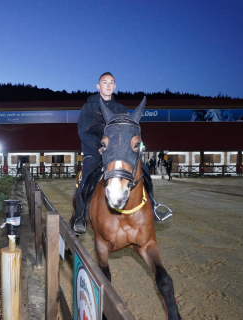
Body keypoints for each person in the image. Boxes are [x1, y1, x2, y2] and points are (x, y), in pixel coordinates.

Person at [71, 72, 172, 235]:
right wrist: (99, 147)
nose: (108, 85)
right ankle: (79, 217)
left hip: (116, 152)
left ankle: (153, 206)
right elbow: (83, 132)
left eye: (111, 82)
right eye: (104, 82)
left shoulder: (120, 109)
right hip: (94, 151)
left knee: (144, 170)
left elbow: (127, 132)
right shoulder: (88, 108)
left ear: (115, 86)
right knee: (87, 175)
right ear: (98, 86)